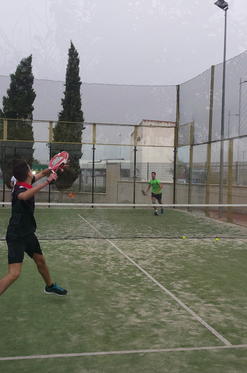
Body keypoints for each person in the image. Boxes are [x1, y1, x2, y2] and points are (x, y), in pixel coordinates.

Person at [0, 160, 67, 296]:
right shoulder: (19, 189)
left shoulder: (24, 182)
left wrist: (54, 169)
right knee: (14, 273)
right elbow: (24, 196)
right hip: (16, 236)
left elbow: (41, 174)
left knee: (40, 261)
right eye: (30, 169)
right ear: (27, 174)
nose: (32, 171)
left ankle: (50, 286)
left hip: (28, 233)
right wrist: (47, 182)